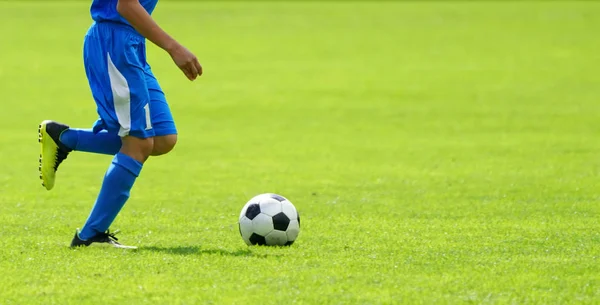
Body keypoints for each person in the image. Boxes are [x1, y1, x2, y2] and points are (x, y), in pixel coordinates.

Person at [37, 0, 202, 249]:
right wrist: (174, 48)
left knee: (162, 138)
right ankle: (90, 236)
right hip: (114, 44)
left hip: (132, 44)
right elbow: (125, 5)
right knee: (139, 143)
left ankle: (64, 138)